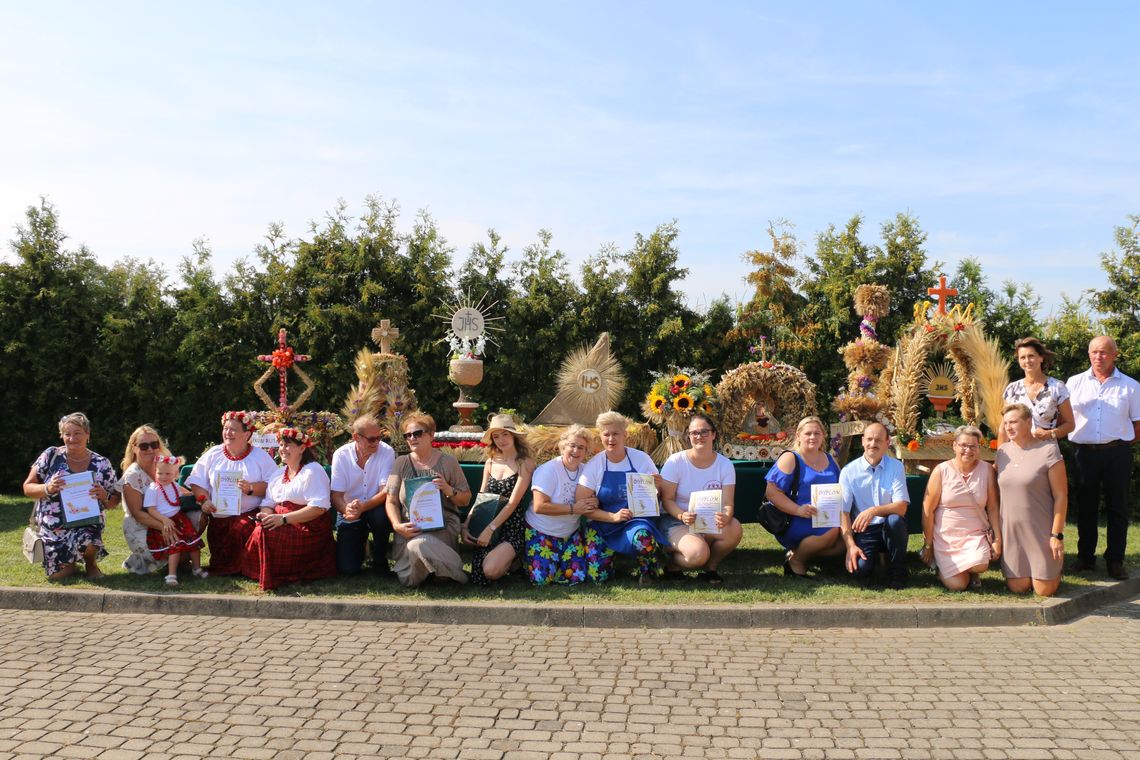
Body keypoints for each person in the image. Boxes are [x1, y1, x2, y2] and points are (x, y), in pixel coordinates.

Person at [1066, 335, 1140, 580]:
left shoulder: (1131, 386)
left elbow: (1138, 425)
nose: (1099, 357)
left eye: (1104, 352)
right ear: (1089, 354)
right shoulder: (1074, 383)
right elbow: (1064, 418)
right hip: (1083, 454)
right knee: (1085, 507)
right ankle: (1085, 558)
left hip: (1117, 453)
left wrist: (1118, 442)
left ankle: (1115, 561)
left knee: (1117, 507)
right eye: (1095, 352)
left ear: (1115, 355)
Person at [575, 411, 670, 586]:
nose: (611, 439)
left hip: (635, 521)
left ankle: (648, 569)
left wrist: (656, 488)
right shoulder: (595, 465)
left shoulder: (641, 459)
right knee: (597, 578)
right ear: (600, 436)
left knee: (643, 539)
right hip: (603, 524)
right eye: (606, 434)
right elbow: (581, 503)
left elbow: (657, 501)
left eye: (616, 434)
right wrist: (612, 517)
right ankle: (608, 565)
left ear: (625, 435)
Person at [22, 412, 118, 580]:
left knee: (88, 540)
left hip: (87, 521)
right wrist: (48, 488)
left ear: (87, 435)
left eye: (77, 433)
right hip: (54, 526)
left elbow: (113, 502)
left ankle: (90, 563)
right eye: (67, 434)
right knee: (59, 576)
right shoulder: (51, 456)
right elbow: (27, 487)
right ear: (62, 435)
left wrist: (104, 496)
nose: (72, 438)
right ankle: (69, 562)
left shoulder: (102, 463)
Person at [241, 427, 336, 590]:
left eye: (288, 445)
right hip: (283, 521)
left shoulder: (313, 471)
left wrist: (284, 519)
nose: (283, 449)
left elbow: (319, 508)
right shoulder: (278, 474)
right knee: (258, 528)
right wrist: (266, 516)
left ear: (302, 448)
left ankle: (284, 572)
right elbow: (268, 502)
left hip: (308, 526)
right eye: (281, 445)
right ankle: (262, 571)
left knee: (266, 533)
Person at [385, 412, 472, 587]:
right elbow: (391, 500)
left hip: (442, 527)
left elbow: (466, 499)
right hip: (410, 527)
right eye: (407, 435)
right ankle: (442, 570)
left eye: (417, 433)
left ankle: (441, 569)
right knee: (412, 564)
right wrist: (397, 525)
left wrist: (448, 490)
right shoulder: (401, 463)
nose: (412, 438)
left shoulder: (448, 462)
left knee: (418, 546)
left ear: (431, 434)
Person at [185, 411, 277, 575]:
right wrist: (204, 501)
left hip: (249, 513)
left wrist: (251, 488)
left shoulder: (260, 457)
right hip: (219, 515)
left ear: (247, 434)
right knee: (220, 533)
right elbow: (196, 481)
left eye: (233, 429)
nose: (228, 433)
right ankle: (227, 567)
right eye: (226, 428)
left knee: (239, 528)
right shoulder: (213, 454)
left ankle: (244, 567)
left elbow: (275, 486)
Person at [659, 413, 743, 584]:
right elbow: (666, 500)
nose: (699, 436)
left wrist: (726, 516)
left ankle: (710, 568)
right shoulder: (675, 462)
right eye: (694, 433)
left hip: (708, 520)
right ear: (688, 436)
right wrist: (682, 515)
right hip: (675, 520)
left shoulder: (725, 464)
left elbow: (728, 504)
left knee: (734, 528)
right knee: (697, 554)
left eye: (704, 432)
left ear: (713, 435)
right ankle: (672, 565)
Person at [996, 403, 1068, 596]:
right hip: (1012, 532)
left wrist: (1056, 535)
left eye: (1013, 422)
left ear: (1028, 422)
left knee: (1044, 591)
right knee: (1018, 588)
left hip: (1041, 531)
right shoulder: (1001, 453)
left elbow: (1061, 496)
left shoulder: (1049, 450)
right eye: (1005, 423)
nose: (1008, 427)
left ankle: (1055, 567)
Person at [525, 425, 612, 585]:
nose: (576, 451)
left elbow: (592, 499)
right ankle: (538, 562)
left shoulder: (586, 471)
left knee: (577, 577)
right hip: (542, 531)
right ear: (562, 446)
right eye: (572, 445)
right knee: (541, 581)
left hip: (570, 534)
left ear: (586, 453)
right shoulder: (548, 470)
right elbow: (539, 506)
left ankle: (554, 562)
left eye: (581, 447)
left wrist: (595, 501)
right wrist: (574, 509)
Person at [921, 426, 1001, 591]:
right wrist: (928, 544)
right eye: (963, 445)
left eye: (973, 446)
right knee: (958, 585)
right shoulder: (941, 471)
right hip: (946, 537)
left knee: (981, 563)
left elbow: (993, 508)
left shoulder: (987, 470)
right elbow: (928, 511)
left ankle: (970, 571)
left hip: (974, 535)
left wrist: (997, 540)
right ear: (954, 446)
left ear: (978, 448)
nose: (968, 450)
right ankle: (943, 568)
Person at [764, 415, 844, 578]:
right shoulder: (790, 458)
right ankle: (796, 562)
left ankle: (800, 553)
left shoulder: (831, 459)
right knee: (832, 532)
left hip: (827, 517)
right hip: (796, 518)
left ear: (823, 436)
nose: (812, 437)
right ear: (798, 436)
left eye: (817, 433)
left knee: (846, 541)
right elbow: (771, 492)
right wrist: (798, 509)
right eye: (808, 433)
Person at [464, 414, 535, 585]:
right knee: (479, 578)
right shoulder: (490, 462)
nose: (501, 440)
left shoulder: (525, 463)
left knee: (490, 571)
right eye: (496, 436)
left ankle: (514, 560)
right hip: (487, 525)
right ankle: (510, 563)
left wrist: (490, 528)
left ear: (513, 436)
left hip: (512, 527)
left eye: (505, 434)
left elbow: (513, 503)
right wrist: (466, 524)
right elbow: (482, 498)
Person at [838, 422, 910, 589]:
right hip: (865, 530)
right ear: (862, 441)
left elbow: (901, 507)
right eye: (869, 439)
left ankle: (898, 572)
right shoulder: (849, 471)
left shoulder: (896, 467)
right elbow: (844, 513)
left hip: (889, 527)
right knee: (859, 572)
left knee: (895, 520)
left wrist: (874, 511)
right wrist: (850, 546)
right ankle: (869, 565)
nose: (872, 444)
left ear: (887, 443)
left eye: (878, 440)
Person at [118, 424, 192, 575]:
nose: (150, 449)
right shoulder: (132, 475)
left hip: (167, 518)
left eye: (154, 444)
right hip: (141, 525)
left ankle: (179, 558)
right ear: (134, 448)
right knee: (181, 550)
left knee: (197, 517)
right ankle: (153, 559)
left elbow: (177, 492)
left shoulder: (164, 466)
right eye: (144, 446)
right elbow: (137, 514)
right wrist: (164, 526)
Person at [330, 415, 396, 576]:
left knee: (381, 515)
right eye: (371, 439)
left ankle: (380, 558)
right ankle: (360, 550)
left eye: (379, 437)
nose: (376, 443)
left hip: (375, 506)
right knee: (347, 569)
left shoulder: (386, 451)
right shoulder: (341, 454)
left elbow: (385, 491)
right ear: (356, 437)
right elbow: (336, 495)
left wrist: (363, 507)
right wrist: (347, 509)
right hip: (349, 509)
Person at [143, 455, 207, 587]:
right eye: (160, 473)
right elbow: (151, 510)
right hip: (164, 523)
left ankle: (196, 568)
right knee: (175, 546)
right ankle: (171, 574)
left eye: (168, 473)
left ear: (175, 474)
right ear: (155, 472)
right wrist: (164, 520)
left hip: (180, 519)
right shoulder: (152, 489)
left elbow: (188, 494)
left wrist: (200, 498)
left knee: (194, 543)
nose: (163, 476)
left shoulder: (175, 486)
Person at [998, 337, 1075, 445]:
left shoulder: (1057, 387)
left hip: (1046, 452)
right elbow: (1003, 428)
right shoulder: (1012, 389)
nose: (1027, 361)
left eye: (1031, 356)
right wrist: (1000, 458)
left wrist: (1050, 434)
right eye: (1023, 357)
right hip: (1017, 453)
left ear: (1041, 358)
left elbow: (1070, 424)